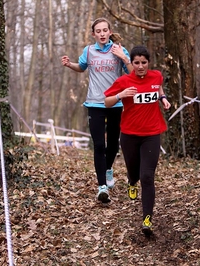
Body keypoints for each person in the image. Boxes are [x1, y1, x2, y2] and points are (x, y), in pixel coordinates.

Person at [61, 18, 133, 204]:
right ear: (93, 34)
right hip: (94, 103)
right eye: (98, 31)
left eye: (104, 30)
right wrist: (70, 65)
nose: (101, 34)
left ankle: (108, 168)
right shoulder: (89, 51)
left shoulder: (118, 50)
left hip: (115, 103)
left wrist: (123, 57)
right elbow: (82, 67)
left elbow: (131, 73)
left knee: (113, 144)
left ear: (109, 32)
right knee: (99, 144)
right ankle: (102, 187)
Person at [104, 45, 171, 236]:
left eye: (144, 62)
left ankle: (147, 219)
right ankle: (131, 182)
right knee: (134, 172)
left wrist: (163, 98)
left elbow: (157, 87)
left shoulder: (156, 76)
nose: (140, 66)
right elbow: (106, 101)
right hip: (129, 135)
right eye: (136, 63)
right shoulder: (124, 81)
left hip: (151, 133)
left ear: (148, 63)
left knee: (148, 176)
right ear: (131, 64)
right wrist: (120, 95)